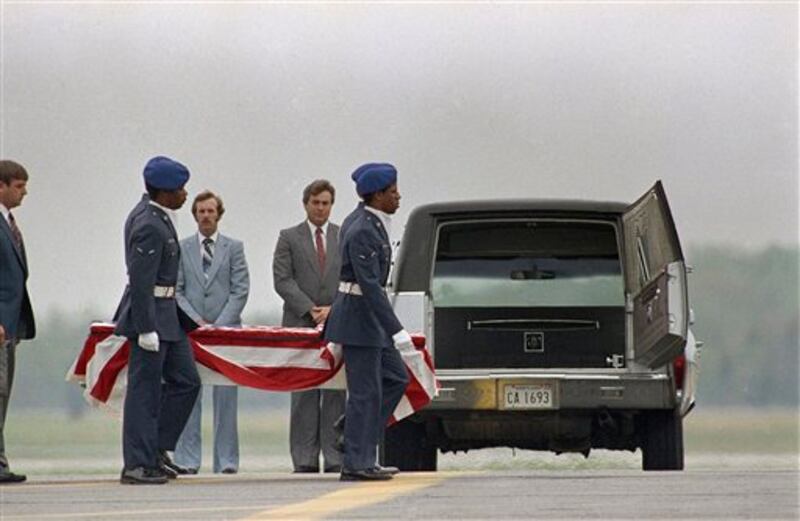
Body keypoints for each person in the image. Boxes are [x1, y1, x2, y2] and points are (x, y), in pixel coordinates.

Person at [113, 156, 202, 485]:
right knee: (144, 392)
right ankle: (137, 464)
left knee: (186, 381)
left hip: (168, 317)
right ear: (164, 192)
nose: (185, 195)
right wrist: (146, 327)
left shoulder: (157, 216)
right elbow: (141, 281)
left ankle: (155, 449)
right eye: (180, 189)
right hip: (151, 315)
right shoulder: (149, 223)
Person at [323, 163, 412, 482]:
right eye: (392, 192)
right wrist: (397, 330)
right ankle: (356, 463)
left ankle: (353, 434)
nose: (398, 196)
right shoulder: (362, 229)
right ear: (376, 195)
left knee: (396, 379)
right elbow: (370, 286)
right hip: (359, 319)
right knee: (365, 393)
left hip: (368, 318)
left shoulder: (372, 222)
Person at [174, 190, 249, 474]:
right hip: (191, 334)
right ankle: (187, 460)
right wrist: (196, 323)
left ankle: (226, 462)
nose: (206, 216)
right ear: (195, 215)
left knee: (226, 399)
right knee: (190, 396)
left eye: (210, 211)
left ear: (219, 214)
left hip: (227, 334)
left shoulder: (234, 248)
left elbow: (240, 290)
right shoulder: (182, 249)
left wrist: (219, 325)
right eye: (201, 211)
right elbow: (177, 291)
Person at [273, 179, 345, 474]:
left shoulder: (344, 235)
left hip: (337, 322)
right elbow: (282, 279)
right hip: (299, 324)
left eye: (325, 203)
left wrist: (334, 309)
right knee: (303, 391)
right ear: (306, 204)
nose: (320, 208)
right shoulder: (288, 237)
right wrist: (309, 308)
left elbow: (352, 279)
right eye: (315, 203)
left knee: (335, 391)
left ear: (331, 205)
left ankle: (335, 456)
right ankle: (303, 458)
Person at [0, 160, 35, 484]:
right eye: (19, 186)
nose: (25, 192)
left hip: (10, 326)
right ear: (2, 186)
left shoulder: (8, 222)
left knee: (3, 392)